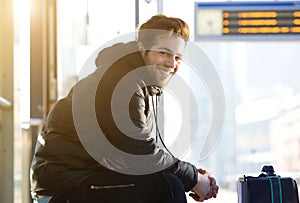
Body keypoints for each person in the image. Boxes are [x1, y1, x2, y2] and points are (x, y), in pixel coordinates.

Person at [30, 14, 219, 203]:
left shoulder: (133, 81)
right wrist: (193, 178)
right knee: (166, 188)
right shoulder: (120, 82)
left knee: (167, 181)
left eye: (178, 57)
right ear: (142, 48)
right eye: (164, 53)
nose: (172, 64)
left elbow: (141, 155)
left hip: (80, 180)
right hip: (64, 188)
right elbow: (139, 153)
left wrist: (191, 176)